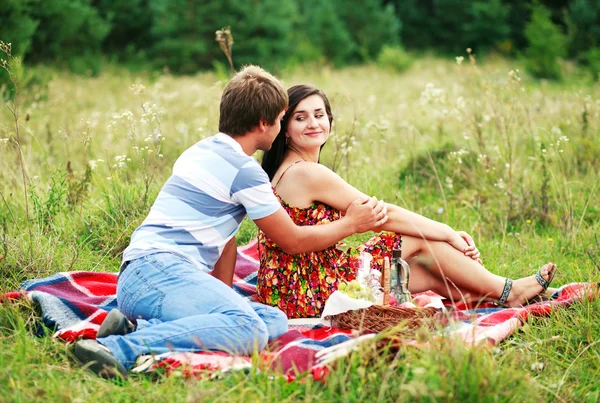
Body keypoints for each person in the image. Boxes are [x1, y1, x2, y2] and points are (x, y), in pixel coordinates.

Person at [72, 67, 388, 379]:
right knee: (248, 328)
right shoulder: (245, 172)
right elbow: (291, 241)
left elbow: (225, 237)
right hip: (160, 272)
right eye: (280, 120)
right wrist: (352, 224)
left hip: (142, 276)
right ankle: (119, 348)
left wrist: (221, 297)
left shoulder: (202, 150)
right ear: (264, 124)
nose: (280, 127)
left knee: (272, 320)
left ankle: (140, 328)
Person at [256, 84, 557, 319]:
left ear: (329, 120)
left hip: (294, 286)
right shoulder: (307, 173)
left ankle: (504, 295)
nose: (313, 123)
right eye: (300, 117)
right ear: (285, 129)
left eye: (319, 115)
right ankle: (509, 290)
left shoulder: (292, 169)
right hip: (308, 290)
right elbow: (380, 214)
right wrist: (448, 231)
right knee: (417, 242)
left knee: (426, 274)